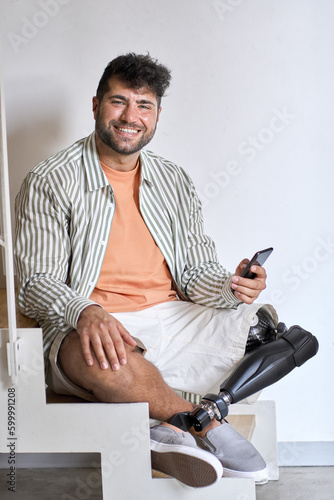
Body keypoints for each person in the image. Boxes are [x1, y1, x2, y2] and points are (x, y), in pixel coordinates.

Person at [15, 53, 278, 488]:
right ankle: (203, 423)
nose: (130, 117)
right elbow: (35, 284)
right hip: (94, 324)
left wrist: (232, 286)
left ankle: (163, 430)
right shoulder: (50, 179)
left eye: (144, 105)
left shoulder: (173, 180)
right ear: (96, 104)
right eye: (119, 102)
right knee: (101, 352)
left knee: (273, 333)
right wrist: (86, 312)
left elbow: (195, 273)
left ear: (157, 114)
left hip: (171, 317)